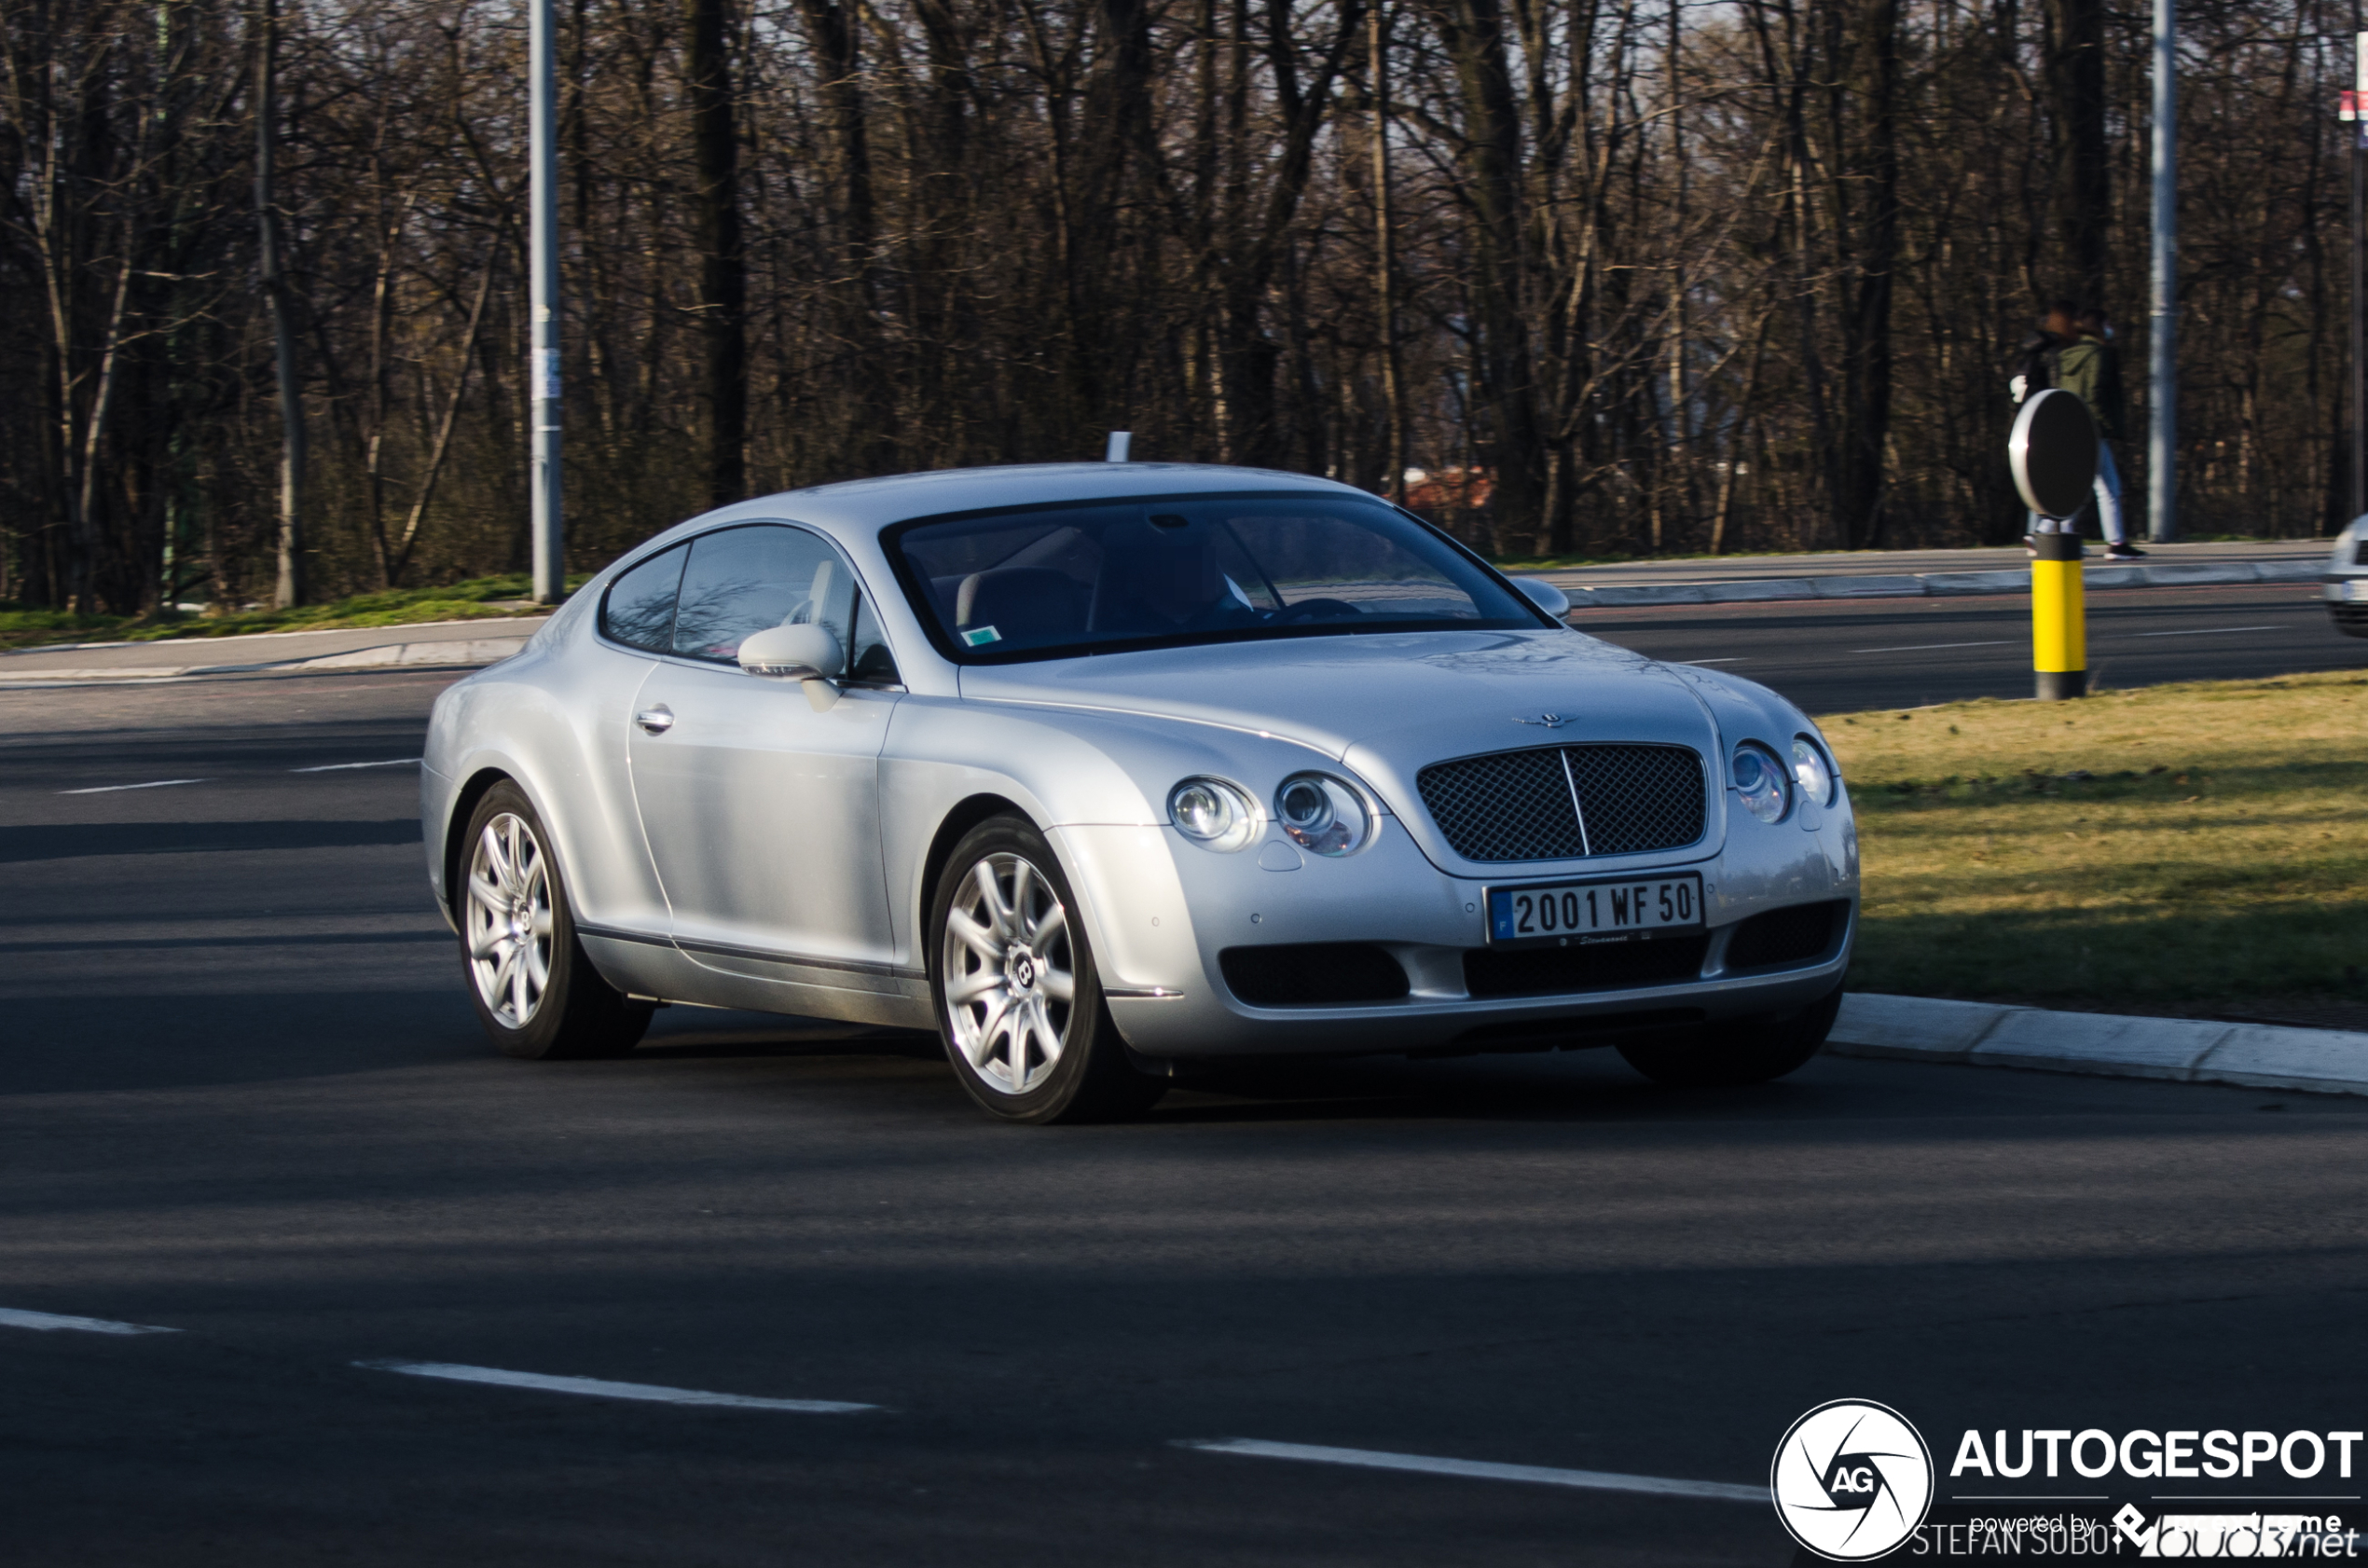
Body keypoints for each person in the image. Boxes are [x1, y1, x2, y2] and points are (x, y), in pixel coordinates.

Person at [2044, 304, 2146, 559]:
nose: (2111, 329)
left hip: (2072, 425)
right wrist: (2106, 425)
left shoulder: (2069, 355)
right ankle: (2116, 543)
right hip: (2092, 428)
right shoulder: (2099, 354)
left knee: (2084, 485)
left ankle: (2057, 532)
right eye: (2108, 324)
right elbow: (2096, 393)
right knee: (2108, 487)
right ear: (2098, 327)